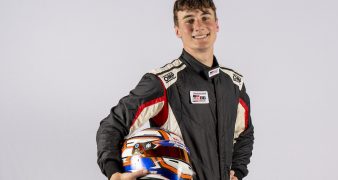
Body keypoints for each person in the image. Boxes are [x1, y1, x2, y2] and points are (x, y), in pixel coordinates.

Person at [96, 0, 254, 180]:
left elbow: (245, 132)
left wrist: (238, 171)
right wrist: (114, 173)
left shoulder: (233, 83)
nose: (199, 26)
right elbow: (112, 125)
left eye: (205, 17)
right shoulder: (162, 82)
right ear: (177, 30)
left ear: (217, 24)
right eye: (189, 20)